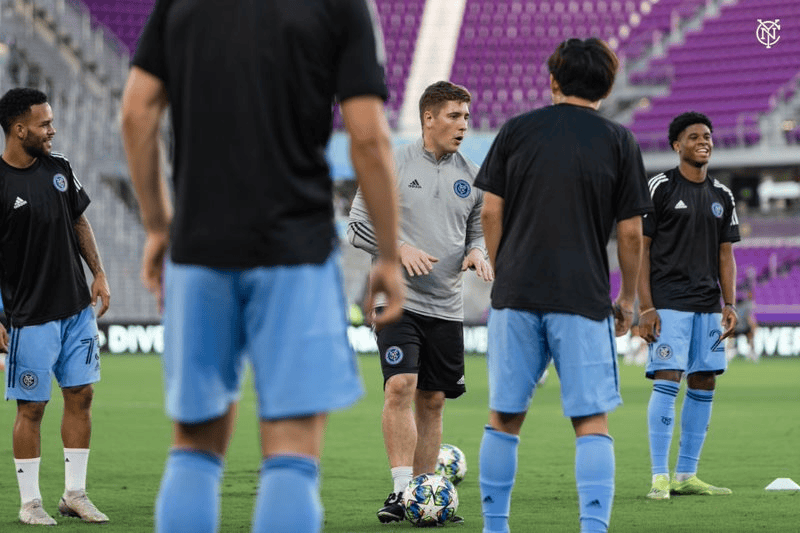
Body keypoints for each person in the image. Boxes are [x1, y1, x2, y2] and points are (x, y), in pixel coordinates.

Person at [120, 1, 404, 532]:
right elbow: (368, 137)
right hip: (295, 249)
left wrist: (158, 225)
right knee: (292, 449)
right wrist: (388, 255)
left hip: (199, 247)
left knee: (194, 445)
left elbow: (136, 112)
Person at [474, 38, 650, 533]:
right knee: (590, 420)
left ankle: (494, 527)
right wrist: (628, 298)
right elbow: (631, 232)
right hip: (581, 295)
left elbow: (490, 212)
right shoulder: (619, 141)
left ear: (553, 80)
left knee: (504, 417)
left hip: (516, 293)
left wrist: (504, 270)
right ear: (607, 87)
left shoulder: (515, 130)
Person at [348, 80, 493, 524]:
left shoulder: (473, 175)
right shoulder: (392, 162)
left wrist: (478, 252)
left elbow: (477, 230)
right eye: (454, 116)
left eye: (466, 116)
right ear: (429, 118)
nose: (463, 125)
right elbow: (357, 224)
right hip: (398, 300)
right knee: (400, 386)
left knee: (432, 400)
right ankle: (400, 491)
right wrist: (399, 249)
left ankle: (423, 494)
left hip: (446, 305)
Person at [0, 87, 111, 525]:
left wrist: (98, 273)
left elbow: (79, 220)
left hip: (76, 309)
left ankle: (74, 495)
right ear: (18, 129)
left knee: (82, 395)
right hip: (29, 316)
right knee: (31, 407)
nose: (52, 129)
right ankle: (30, 503)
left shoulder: (59, 168)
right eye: (44, 123)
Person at [639, 111, 739, 500]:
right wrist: (645, 307)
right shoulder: (659, 187)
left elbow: (726, 254)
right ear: (677, 145)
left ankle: (685, 474)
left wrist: (729, 302)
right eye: (694, 136)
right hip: (668, 303)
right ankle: (659, 476)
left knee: (705, 379)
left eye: (707, 136)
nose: (703, 142)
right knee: (668, 377)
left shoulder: (723, 195)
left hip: (708, 306)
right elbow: (642, 249)